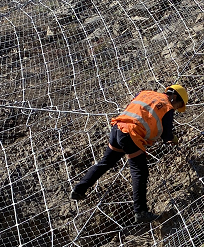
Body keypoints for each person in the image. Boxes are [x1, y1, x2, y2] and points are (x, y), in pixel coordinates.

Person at [70, 84, 189, 223]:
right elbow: (166, 133)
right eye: (179, 105)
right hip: (131, 134)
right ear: (174, 97)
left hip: (118, 129)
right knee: (140, 171)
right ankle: (140, 211)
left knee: (106, 162)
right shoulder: (167, 106)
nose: (176, 108)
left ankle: (79, 189)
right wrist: (173, 139)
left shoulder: (145, 93)